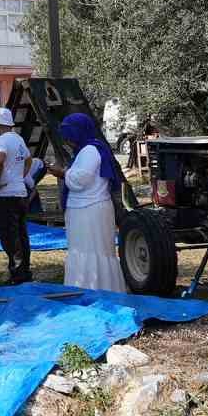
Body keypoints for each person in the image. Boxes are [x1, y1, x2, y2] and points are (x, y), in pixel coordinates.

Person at [48, 113, 129, 293]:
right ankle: (92, 288)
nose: (67, 141)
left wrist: (61, 173)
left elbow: (80, 180)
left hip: (90, 210)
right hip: (87, 209)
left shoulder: (90, 151)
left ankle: (93, 289)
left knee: (91, 252)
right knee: (86, 251)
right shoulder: (89, 150)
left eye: (69, 136)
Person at [0, 107, 33, 285]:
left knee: (9, 236)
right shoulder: (19, 139)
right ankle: (25, 271)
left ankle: (17, 274)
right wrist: (19, 176)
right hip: (20, 192)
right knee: (22, 234)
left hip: (6, 195)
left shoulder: (1, 141)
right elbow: (28, 160)